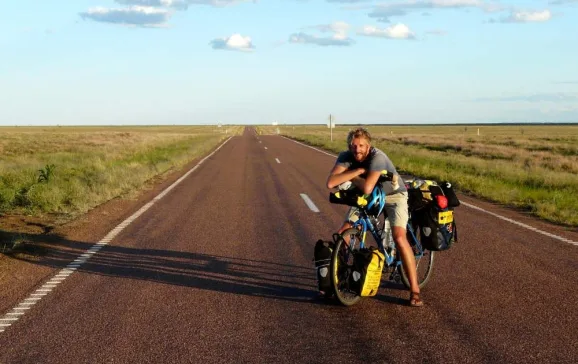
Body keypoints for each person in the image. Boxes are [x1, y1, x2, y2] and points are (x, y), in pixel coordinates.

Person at [326, 127, 424, 307]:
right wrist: (357, 172)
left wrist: (347, 176)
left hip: (394, 196)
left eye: (361, 145)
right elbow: (331, 182)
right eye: (354, 145)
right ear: (349, 145)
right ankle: (338, 276)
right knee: (344, 232)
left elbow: (367, 187)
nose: (357, 149)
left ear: (369, 146)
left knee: (399, 238)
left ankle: (415, 290)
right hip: (370, 197)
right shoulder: (345, 156)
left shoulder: (377, 157)